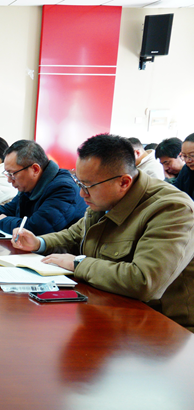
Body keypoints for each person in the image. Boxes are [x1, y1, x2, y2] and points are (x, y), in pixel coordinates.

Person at [12, 134, 194, 328]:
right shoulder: (105, 197)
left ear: (123, 182)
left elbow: (144, 281)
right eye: (79, 183)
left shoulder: (172, 208)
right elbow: (75, 235)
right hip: (109, 308)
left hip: (161, 327)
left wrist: (78, 264)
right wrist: (39, 243)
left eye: (88, 186)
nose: (82, 193)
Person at [0, 140, 86, 235]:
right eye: (7, 174)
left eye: (12, 174)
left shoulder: (63, 188)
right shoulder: (30, 185)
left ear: (35, 169)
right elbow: (9, 209)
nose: (9, 180)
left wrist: (3, 221)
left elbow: (37, 228)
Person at [172, 133, 194, 200]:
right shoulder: (186, 169)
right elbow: (174, 192)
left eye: (192, 155)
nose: (187, 160)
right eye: (184, 156)